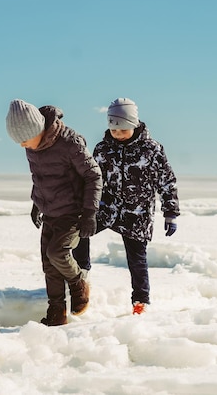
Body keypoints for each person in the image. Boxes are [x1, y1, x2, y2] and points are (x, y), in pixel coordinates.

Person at [73, 98, 180, 315]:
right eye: (114, 129)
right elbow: (91, 179)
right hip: (107, 207)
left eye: (123, 129)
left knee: (137, 258)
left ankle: (141, 301)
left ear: (133, 123)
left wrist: (170, 212)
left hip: (137, 213)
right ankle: (82, 275)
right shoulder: (103, 149)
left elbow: (166, 181)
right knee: (79, 231)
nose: (118, 134)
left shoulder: (152, 150)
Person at [6, 99, 102, 326]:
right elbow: (39, 178)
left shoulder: (70, 142)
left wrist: (90, 213)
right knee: (48, 265)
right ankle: (56, 312)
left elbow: (94, 176)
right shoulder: (32, 146)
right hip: (50, 210)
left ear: (36, 129)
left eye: (24, 139)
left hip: (73, 211)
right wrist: (36, 203)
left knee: (57, 253)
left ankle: (79, 282)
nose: (22, 145)